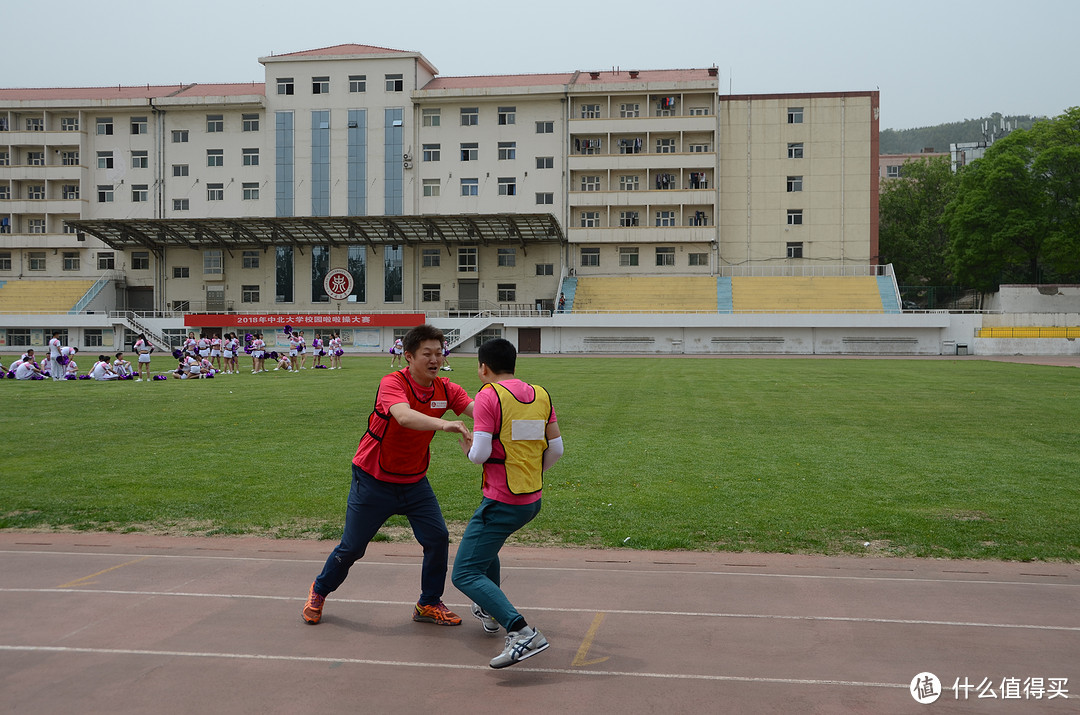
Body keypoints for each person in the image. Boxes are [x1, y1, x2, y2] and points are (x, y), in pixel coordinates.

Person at [302, 324, 474, 628]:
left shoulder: (447, 389)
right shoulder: (392, 383)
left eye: (439, 352)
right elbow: (404, 416)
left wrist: (514, 410)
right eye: (427, 354)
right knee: (352, 548)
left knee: (437, 538)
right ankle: (320, 590)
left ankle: (428, 602)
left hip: (414, 481)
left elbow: (479, 411)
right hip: (373, 479)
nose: (435, 359)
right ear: (408, 356)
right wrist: (445, 424)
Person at [452, 338, 563, 669]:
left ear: (483, 368)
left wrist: (469, 449)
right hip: (531, 498)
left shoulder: (488, 395)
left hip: (501, 500)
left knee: (464, 572)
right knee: (486, 552)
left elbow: (481, 453)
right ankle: (489, 608)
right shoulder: (540, 394)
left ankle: (522, 631)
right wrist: (528, 472)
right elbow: (555, 449)